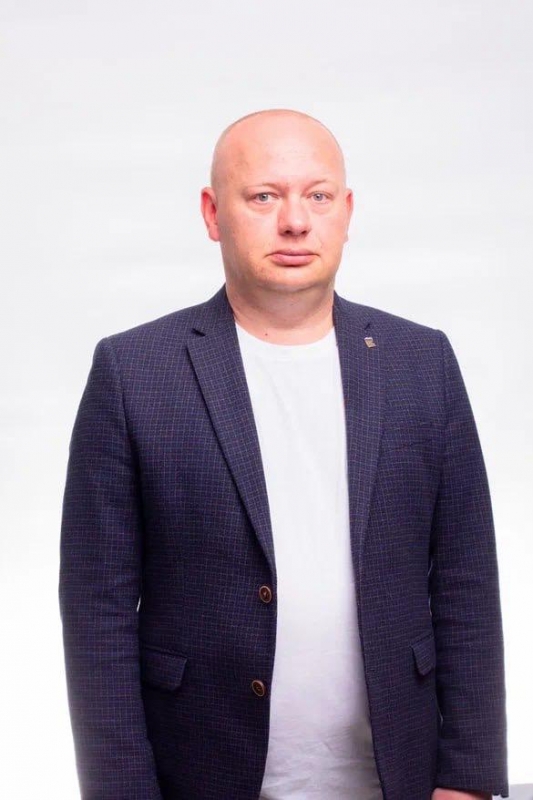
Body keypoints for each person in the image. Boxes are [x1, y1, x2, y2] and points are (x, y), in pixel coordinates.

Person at [58, 108, 508, 800]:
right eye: (264, 196)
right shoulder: (134, 372)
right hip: (201, 774)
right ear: (213, 214)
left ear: (347, 212)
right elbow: (98, 609)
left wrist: (468, 780)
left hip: (400, 776)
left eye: (318, 196)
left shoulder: (421, 362)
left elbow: (465, 579)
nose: (295, 222)